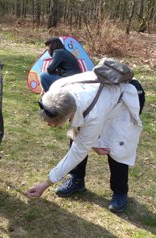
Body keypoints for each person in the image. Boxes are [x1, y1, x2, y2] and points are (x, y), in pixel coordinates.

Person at [26, 71, 144, 213]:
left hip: (128, 95)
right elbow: (82, 135)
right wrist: (93, 144)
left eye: (53, 124)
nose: (49, 125)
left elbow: (78, 152)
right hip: (102, 98)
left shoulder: (92, 114)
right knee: (77, 135)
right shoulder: (56, 89)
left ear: (69, 115)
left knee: (116, 145)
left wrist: (46, 184)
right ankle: (77, 179)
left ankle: (120, 192)